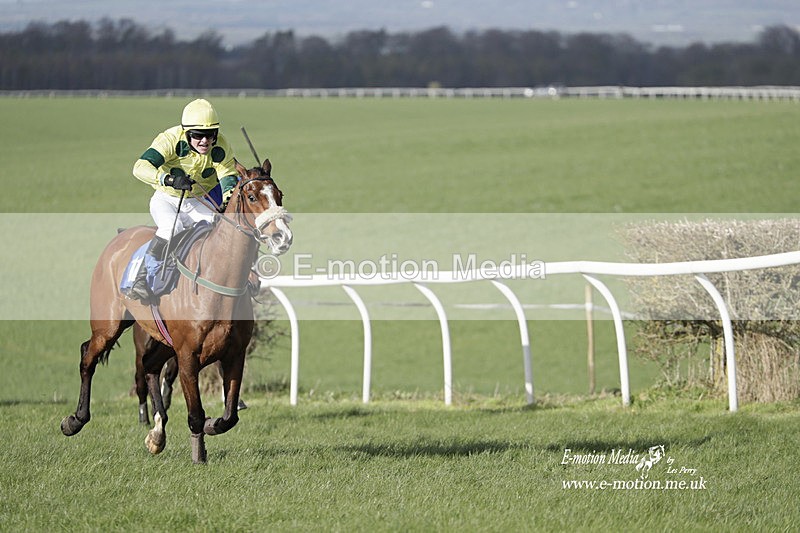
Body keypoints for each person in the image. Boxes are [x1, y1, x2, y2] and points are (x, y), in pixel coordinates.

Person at [128, 98, 240, 302]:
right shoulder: (170, 139)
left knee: (220, 228)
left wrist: (226, 200)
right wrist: (169, 179)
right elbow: (140, 167)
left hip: (196, 200)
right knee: (173, 227)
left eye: (210, 135)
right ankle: (140, 278)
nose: (205, 141)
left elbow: (228, 176)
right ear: (187, 133)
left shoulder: (221, 146)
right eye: (197, 135)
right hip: (166, 198)